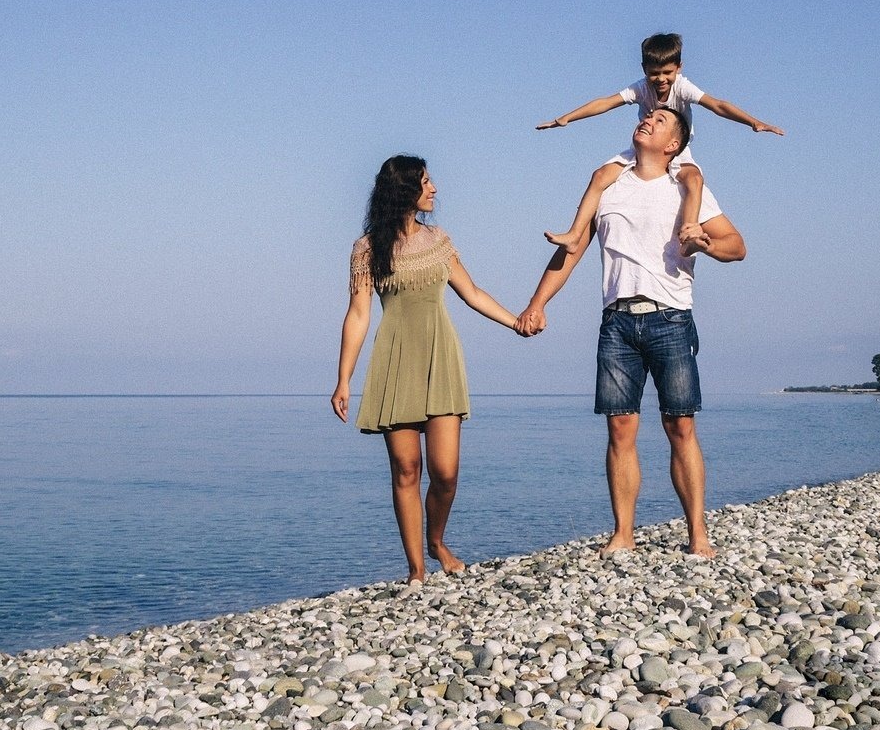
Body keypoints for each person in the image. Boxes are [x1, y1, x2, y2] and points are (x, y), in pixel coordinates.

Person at [516, 107, 746, 557]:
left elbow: (737, 246)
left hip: (671, 318)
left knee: (680, 426)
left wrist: (707, 244)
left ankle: (698, 534)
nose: (648, 121)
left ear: (673, 145)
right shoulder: (609, 185)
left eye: (661, 122)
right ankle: (623, 534)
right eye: (648, 118)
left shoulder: (686, 188)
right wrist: (537, 303)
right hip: (617, 322)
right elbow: (573, 250)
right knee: (620, 428)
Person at [332, 155, 520, 584]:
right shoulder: (367, 249)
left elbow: (471, 292)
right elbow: (358, 314)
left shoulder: (439, 241)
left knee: (446, 473)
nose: (434, 189)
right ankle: (416, 569)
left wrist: (515, 322)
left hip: (440, 357)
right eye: (426, 182)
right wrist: (343, 378)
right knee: (405, 470)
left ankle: (436, 540)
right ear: (404, 191)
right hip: (395, 360)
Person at [536, 32, 782, 255]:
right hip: (644, 149)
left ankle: (689, 232)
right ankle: (574, 234)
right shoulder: (642, 89)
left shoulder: (683, 87)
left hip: (677, 150)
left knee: (694, 180)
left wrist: (753, 122)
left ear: (679, 68)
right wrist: (567, 117)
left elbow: (717, 105)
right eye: (654, 73)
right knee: (600, 175)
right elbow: (606, 102)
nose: (661, 79)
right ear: (644, 69)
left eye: (667, 73)